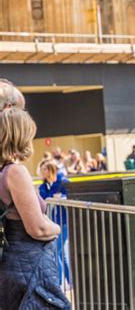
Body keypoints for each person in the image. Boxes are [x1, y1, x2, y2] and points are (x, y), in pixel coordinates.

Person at [0, 108, 69, 308]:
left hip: (11, 266)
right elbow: (37, 228)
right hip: (28, 266)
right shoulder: (15, 172)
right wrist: (55, 228)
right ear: (20, 136)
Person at [38, 160, 71, 289]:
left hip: (64, 222)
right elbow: (43, 201)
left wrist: (62, 198)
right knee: (60, 253)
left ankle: (58, 284)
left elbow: (72, 196)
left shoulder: (63, 181)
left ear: (50, 170)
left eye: (44, 170)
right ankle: (70, 281)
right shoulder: (45, 186)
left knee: (56, 252)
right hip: (53, 222)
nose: (42, 172)